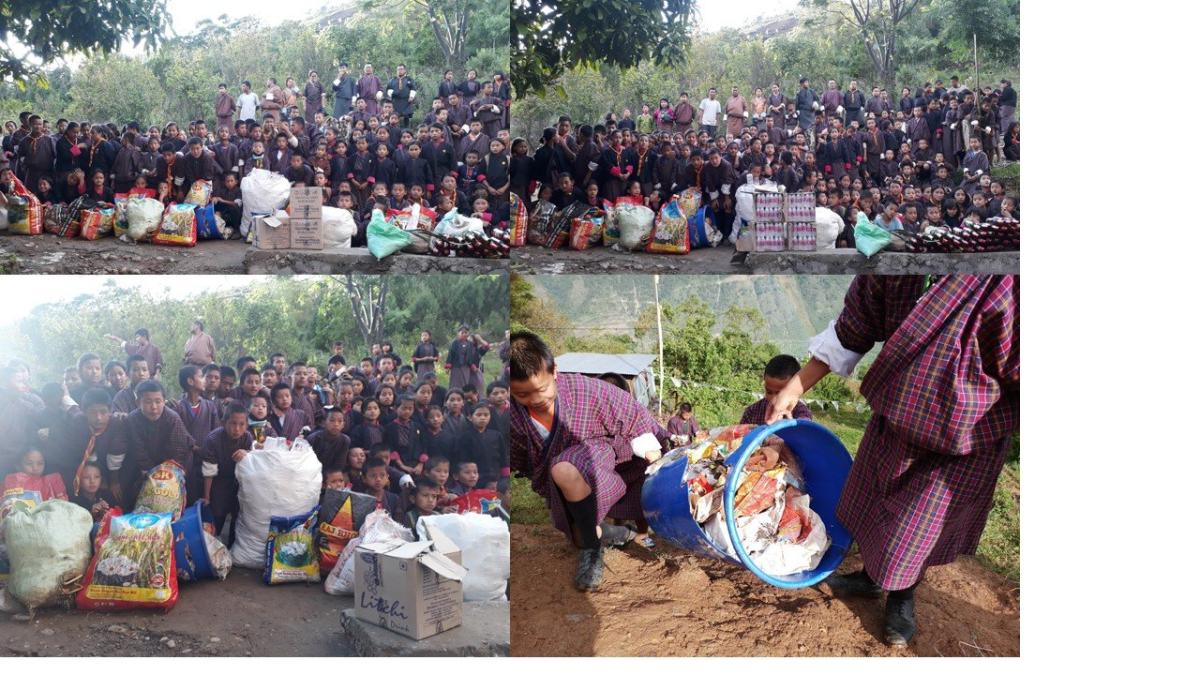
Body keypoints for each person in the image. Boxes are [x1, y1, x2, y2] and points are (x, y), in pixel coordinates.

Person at [766, 275, 1019, 648]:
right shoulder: (905, 263)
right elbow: (856, 324)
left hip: (964, 437)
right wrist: (795, 387)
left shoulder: (1009, 280)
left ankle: (902, 597)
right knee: (874, 508)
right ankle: (871, 578)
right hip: (897, 417)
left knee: (915, 530)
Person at [509, 331, 669, 591]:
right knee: (578, 534)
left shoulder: (586, 390)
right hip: (558, 481)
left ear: (555, 372)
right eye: (522, 395)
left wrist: (658, 456)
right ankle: (610, 534)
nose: (535, 400)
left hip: (601, 457)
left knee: (564, 468)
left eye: (541, 389)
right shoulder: (510, 415)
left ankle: (593, 551)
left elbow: (636, 417)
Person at [116, 379, 193, 511]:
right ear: (137, 403)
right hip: (142, 467)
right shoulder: (132, 419)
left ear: (164, 401)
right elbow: (138, 448)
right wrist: (150, 474)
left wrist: (165, 477)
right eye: (147, 402)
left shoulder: (172, 418)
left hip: (170, 466)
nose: (154, 407)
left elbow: (178, 450)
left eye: (158, 401)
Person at [200, 402, 254, 546]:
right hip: (217, 482)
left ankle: (232, 547)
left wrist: (247, 453)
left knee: (238, 516)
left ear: (247, 425)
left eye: (242, 424)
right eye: (233, 423)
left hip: (238, 482)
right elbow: (209, 471)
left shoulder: (247, 438)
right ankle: (213, 545)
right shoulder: (213, 439)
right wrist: (206, 496)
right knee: (218, 514)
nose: (237, 429)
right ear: (224, 423)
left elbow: (253, 461)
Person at [455, 402, 507, 490]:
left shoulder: (496, 435)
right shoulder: (464, 437)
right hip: (474, 479)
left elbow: (503, 457)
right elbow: (462, 460)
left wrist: (505, 476)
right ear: (470, 417)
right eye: (479, 415)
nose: (483, 418)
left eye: (486, 415)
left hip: (495, 478)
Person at [3, 448, 68, 507]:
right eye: (29, 463)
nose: (35, 468)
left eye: (40, 463)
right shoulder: (11, 482)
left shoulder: (52, 482)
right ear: (18, 466)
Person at [307, 408, 350, 474]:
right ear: (324, 423)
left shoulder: (345, 440)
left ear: (343, 425)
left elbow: (339, 465)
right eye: (332, 420)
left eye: (340, 421)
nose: (336, 424)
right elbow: (308, 463)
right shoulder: (313, 438)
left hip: (333, 475)